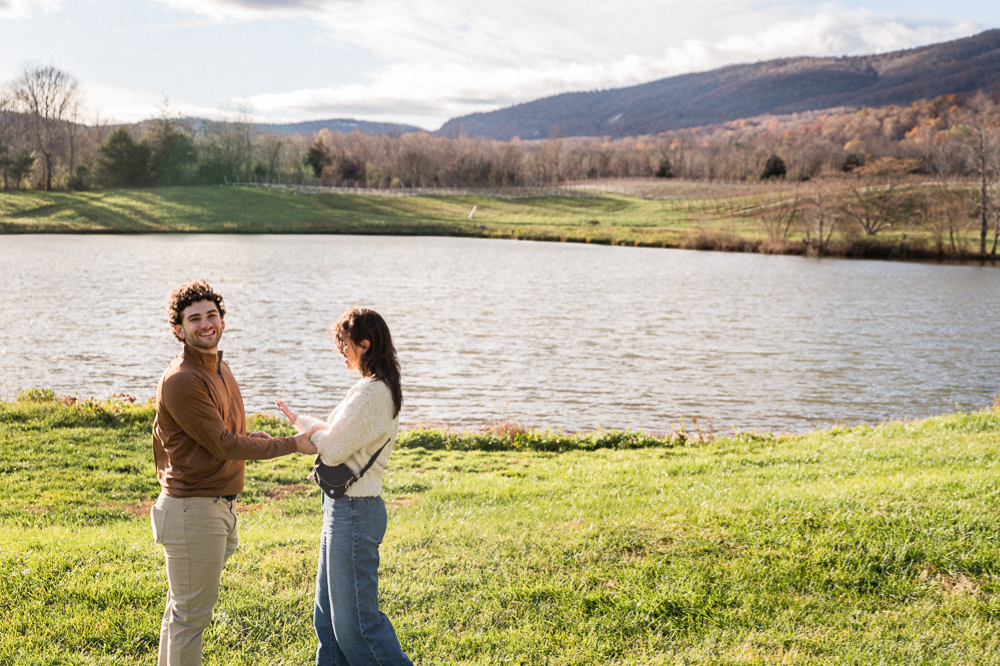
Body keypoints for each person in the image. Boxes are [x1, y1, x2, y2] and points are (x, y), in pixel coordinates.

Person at [150, 279, 319, 666]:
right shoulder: (182, 379)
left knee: (181, 613)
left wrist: (249, 436)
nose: (206, 323)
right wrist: (292, 444)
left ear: (223, 320)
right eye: (195, 319)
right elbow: (224, 445)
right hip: (193, 509)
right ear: (179, 330)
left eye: (212, 315)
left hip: (213, 505)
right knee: (189, 619)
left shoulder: (217, 367)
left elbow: (224, 434)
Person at [276, 307, 412, 666]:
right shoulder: (371, 388)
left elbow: (334, 449)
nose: (341, 350)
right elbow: (340, 436)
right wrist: (302, 422)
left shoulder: (373, 394)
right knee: (329, 624)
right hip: (343, 509)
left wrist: (310, 435)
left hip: (355, 512)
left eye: (344, 343)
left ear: (364, 344)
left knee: (357, 628)